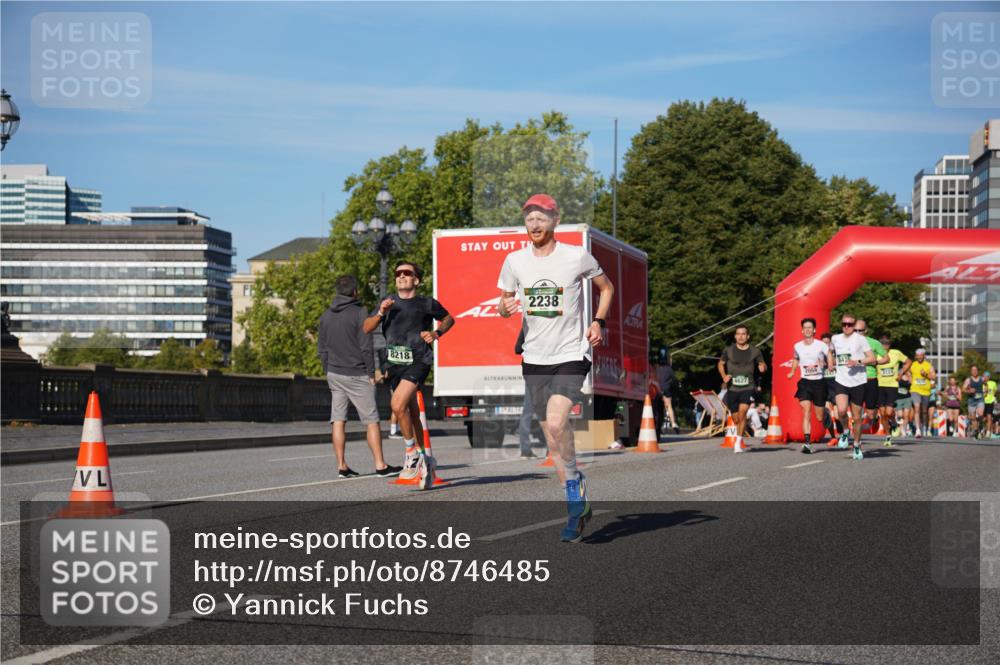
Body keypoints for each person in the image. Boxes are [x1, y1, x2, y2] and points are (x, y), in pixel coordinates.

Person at [497, 193, 615, 543]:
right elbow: (504, 302)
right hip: (534, 357)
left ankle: (574, 500)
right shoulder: (515, 261)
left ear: (555, 221)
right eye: (529, 218)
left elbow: (607, 288)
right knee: (551, 434)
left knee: (557, 421)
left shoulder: (576, 256)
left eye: (541, 218)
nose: (534, 224)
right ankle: (575, 487)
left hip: (570, 353)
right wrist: (505, 308)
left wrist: (598, 322)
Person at [368, 261, 454, 489]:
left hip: (418, 360)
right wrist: (381, 312)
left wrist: (436, 333)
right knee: (409, 411)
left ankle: (411, 453)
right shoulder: (387, 302)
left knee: (397, 404)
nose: (401, 276)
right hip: (395, 363)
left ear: (416, 280)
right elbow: (366, 327)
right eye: (398, 273)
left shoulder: (426, 303)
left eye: (407, 273)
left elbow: (449, 318)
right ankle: (425, 458)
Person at [317, 275, 402, 479]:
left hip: (334, 374)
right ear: (355, 292)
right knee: (371, 420)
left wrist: (328, 369)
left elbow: (322, 349)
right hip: (357, 374)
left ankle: (342, 466)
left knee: (338, 420)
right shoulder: (359, 312)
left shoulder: (326, 315)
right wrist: (371, 373)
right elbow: (366, 346)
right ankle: (380, 465)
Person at [828, 313, 875, 460]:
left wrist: (857, 362)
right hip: (841, 380)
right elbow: (830, 351)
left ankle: (856, 444)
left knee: (857, 417)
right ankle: (845, 431)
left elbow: (872, 358)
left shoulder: (860, 339)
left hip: (858, 382)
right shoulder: (835, 338)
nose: (846, 327)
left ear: (854, 326)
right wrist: (830, 362)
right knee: (841, 411)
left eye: (849, 324)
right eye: (844, 324)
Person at [718, 325, 767, 449]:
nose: (741, 336)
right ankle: (739, 435)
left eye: (743, 334)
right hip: (732, 388)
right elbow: (721, 364)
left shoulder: (755, 351)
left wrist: (763, 368)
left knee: (743, 413)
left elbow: (762, 364)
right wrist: (724, 376)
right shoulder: (728, 350)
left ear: (748, 336)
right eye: (738, 334)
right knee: (736, 419)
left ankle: (738, 442)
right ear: (735, 336)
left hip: (748, 387)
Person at [786, 317, 829, 454]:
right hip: (805, 382)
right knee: (806, 410)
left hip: (819, 382)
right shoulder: (797, 346)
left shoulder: (821, 345)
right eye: (805, 328)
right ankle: (807, 443)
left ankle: (826, 414)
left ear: (814, 330)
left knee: (819, 417)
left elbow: (829, 356)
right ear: (802, 330)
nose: (808, 330)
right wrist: (792, 371)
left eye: (810, 327)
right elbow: (795, 359)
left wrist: (829, 364)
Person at [874, 334, 910, 447]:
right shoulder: (876, 354)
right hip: (879, 386)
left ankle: (893, 421)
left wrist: (901, 373)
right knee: (882, 414)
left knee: (888, 412)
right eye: (883, 343)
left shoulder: (896, 353)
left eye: (888, 343)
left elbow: (908, 361)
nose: (885, 345)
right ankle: (888, 436)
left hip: (892, 386)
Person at [853, 320, 886, 436]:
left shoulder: (874, 343)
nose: (857, 333)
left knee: (870, 414)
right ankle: (856, 436)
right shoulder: (848, 343)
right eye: (855, 330)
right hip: (855, 380)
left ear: (866, 330)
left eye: (860, 331)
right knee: (856, 412)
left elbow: (886, 358)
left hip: (870, 379)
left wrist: (875, 362)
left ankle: (875, 419)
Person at [515, 326, 540, 459]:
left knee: (528, 410)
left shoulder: (527, 327)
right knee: (549, 410)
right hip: (546, 371)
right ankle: (551, 450)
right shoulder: (549, 329)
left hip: (530, 371)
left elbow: (517, 349)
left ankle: (525, 450)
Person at [909, 349, 936, 438]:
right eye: (918, 355)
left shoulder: (928, 365)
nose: (919, 357)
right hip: (915, 389)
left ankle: (924, 426)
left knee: (924, 411)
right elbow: (908, 372)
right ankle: (918, 430)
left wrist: (926, 375)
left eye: (921, 355)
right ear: (916, 356)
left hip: (926, 391)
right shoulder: (913, 364)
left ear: (924, 356)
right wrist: (909, 378)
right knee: (917, 408)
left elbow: (934, 377)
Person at [820, 331, 841, 443]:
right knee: (826, 414)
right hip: (824, 387)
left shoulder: (836, 353)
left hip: (836, 386)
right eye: (823, 343)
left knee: (838, 415)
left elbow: (834, 362)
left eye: (827, 343)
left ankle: (843, 434)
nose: (825, 345)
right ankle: (833, 437)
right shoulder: (818, 354)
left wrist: (829, 355)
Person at [655, 349, 681, 435]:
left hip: (658, 389)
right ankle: (673, 423)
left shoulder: (656, 368)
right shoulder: (669, 369)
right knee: (669, 406)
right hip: (666, 389)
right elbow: (674, 380)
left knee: (658, 408)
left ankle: (659, 425)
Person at [963, 365, 986, 439]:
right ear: (971, 371)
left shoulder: (982, 379)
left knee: (980, 414)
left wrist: (986, 390)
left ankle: (981, 425)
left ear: (977, 371)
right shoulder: (968, 380)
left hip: (980, 399)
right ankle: (976, 430)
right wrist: (969, 391)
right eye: (973, 370)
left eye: (976, 370)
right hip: (971, 400)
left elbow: (986, 384)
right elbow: (963, 389)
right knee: (973, 418)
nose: (974, 371)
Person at [895, 370, 913, 437]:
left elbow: (911, 384)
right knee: (900, 415)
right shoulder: (899, 374)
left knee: (906, 415)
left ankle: (904, 429)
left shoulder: (910, 376)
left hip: (907, 398)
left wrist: (909, 376)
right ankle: (900, 427)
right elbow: (896, 380)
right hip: (899, 398)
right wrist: (900, 374)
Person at [984, 371, 997, 439]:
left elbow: (995, 392)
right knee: (984, 418)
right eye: (984, 376)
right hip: (983, 402)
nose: (985, 377)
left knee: (989, 417)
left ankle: (988, 432)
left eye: (986, 376)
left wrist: (993, 398)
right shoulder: (982, 383)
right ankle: (983, 430)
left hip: (990, 402)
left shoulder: (993, 383)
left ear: (989, 377)